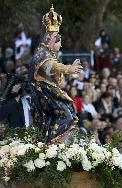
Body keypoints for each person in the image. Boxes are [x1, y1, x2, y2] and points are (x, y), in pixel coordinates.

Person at [28, 5, 82, 142]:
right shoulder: (42, 53)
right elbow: (49, 66)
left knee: (61, 115)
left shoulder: (45, 52)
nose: (61, 46)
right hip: (43, 92)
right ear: (52, 41)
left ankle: (47, 143)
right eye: (59, 43)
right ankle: (52, 144)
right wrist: (68, 69)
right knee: (66, 116)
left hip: (46, 92)